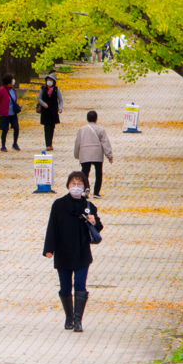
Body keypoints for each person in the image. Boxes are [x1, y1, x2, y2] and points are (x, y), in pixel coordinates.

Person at [43, 171, 103, 333]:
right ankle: (69, 317)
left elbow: (98, 229)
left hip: (82, 251)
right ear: (68, 185)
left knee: (80, 286)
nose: (76, 187)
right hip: (63, 252)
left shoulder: (89, 207)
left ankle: (78, 320)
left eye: (79, 184)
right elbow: (52, 228)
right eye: (73, 184)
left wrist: (94, 221)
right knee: (65, 287)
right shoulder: (59, 205)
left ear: (84, 187)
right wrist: (49, 249)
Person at [73, 111, 114, 198]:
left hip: (85, 153)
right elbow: (105, 143)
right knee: (98, 173)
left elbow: (77, 143)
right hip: (97, 153)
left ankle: (86, 187)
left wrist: (77, 155)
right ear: (96, 119)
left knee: (84, 172)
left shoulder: (81, 130)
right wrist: (109, 155)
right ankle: (96, 192)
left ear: (87, 119)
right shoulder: (100, 130)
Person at [0, 74, 21, 153]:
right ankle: (3, 145)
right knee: (4, 130)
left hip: (13, 113)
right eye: (12, 79)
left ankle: (15, 143)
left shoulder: (13, 89)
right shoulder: (1, 90)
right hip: (4, 113)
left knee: (16, 127)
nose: (13, 81)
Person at [37, 73, 64, 152]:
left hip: (53, 111)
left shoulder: (56, 89)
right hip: (45, 111)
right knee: (47, 128)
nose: (49, 82)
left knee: (51, 128)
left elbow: (60, 100)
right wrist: (43, 104)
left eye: (51, 80)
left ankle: (50, 143)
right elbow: (39, 98)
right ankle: (48, 144)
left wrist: (60, 108)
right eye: (48, 80)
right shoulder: (43, 89)